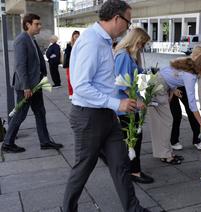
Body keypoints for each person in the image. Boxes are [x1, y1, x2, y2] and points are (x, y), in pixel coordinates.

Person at [62, 1, 150, 212]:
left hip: (107, 115)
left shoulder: (104, 42)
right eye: (128, 22)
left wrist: (126, 101)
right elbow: (81, 86)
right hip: (88, 117)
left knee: (120, 164)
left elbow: (104, 82)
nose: (127, 28)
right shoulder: (92, 42)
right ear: (117, 18)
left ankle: (133, 209)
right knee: (84, 167)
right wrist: (116, 103)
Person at [1, 13, 63, 153]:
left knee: (40, 112)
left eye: (40, 24)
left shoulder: (31, 39)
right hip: (27, 86)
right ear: (28, 24)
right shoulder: (21, 40)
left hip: (36, 84)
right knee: (20, 114)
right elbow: (21, 66)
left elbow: (37, 60)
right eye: (37, 24)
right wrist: (26, 87)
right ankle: (7, 143)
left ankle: (45, 141)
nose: (39, 26)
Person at [148, 53, 201, 164]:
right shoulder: (191, 75)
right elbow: (192, 103)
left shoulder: (190, 68)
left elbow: (169, 73)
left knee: (166, 121)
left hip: (161, 84)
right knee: (166, 122)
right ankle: (165, 155)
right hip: (158, 86)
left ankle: (167, 153)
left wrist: (173, 88)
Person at [113, 27, 154, 184]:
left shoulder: (128, 55)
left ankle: (129, 168)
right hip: (127, 103)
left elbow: (137, 75)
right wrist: (137, 100)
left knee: (131, 137)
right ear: (136, 40)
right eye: (142, 43)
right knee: (133, 137)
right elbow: (122, 82)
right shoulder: (124, 55)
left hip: (129, 102)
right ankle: (134, 172)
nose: (142, 47)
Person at [170, 45, 201, 151]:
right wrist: (173, 90)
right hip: (172, 86)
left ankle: (197, 140)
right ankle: (173, 141)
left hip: (185, 87)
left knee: (192, 112)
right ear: (194, 56)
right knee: (176, 114)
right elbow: (169, 77)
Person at [63, 30, 80, 99]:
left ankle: (76, 93)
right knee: (70, 79)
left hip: (78, 65)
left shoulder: (81, 44)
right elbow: (67, 54)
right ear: (73, 37)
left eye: (78, 36)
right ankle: (71, 93)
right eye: (76, 36)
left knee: (77, 79)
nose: (77, 38)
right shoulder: (69, 45)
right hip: (70, 65)